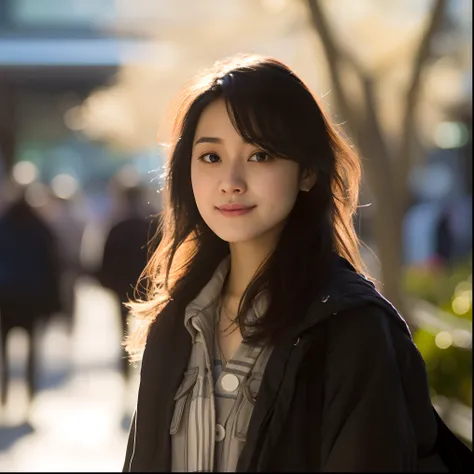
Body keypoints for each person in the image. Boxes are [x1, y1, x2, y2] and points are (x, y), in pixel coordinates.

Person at [122, 54, 471, 472]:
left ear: (307, 173)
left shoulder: (352, 329)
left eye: (260, 155)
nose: (230, 181)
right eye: (211, 157)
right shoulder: (175, 323)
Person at [0, 185, 62, 410]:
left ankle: (5, 392)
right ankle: (30, 391)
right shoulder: (39, 226)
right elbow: (52, 263)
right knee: (32, 347)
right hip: (31, 296)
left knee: (5, 347)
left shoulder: (4, 225)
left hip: (6, 295)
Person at [98, 181, 159, 381]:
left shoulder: (117, 226)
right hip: (148, 287)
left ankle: (126, 370)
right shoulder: (152, 226)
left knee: (123, 330)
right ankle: (147, 371)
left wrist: (109, 283)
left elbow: (105, 260)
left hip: (122, 288)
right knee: (152, 330)